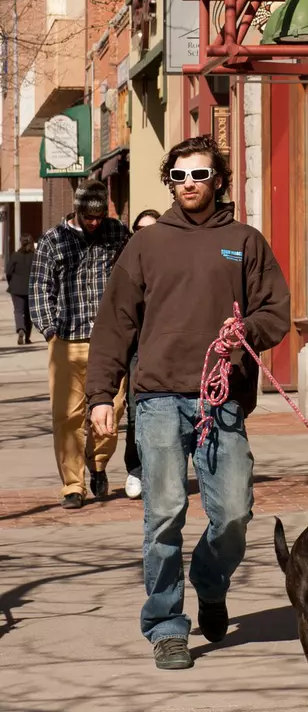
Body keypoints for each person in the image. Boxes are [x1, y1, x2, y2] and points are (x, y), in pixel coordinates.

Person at [87, 135, 289, 671]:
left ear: (217, 179)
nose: (189, 185)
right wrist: (101, 395)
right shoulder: (147, 245)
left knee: (234, 514)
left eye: (198, 175)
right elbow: (115, 324)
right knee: (164, 515)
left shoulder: (244, 241)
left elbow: (276, 313)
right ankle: (167, 625)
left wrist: (244, 329)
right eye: (178, 177)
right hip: (156, 396)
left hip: (221, 399)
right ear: (169, 182)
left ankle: (210, 581)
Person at [30, 179, 129, 509]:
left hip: (110, 341)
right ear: (77, 209)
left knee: (112, 411)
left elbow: (134, 274)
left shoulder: (117, 234)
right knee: (68, 417)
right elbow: (40, 289)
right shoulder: (53, 240)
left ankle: (97, 463)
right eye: (89, 216)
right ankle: (73, 485)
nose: (95, 222)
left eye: (100, 216)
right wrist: (49, 330)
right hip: (67, 341)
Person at [121, 208, 161, 501]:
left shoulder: (173, 262)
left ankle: (160, 471)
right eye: (140, 229)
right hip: (137, 350)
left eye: (152, 229)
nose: (145, 235)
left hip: (167, 351)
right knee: (137, 414)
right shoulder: (126, 265)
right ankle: (136, 469)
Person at [4, 234, 36, 345]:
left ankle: (20, 329)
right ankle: (27, 337)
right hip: (31, 288)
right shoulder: (34, 256)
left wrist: (11, 283)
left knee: (18, 311)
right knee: (28, 313)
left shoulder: (15, 255)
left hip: (16, 288)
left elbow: (8, 271)